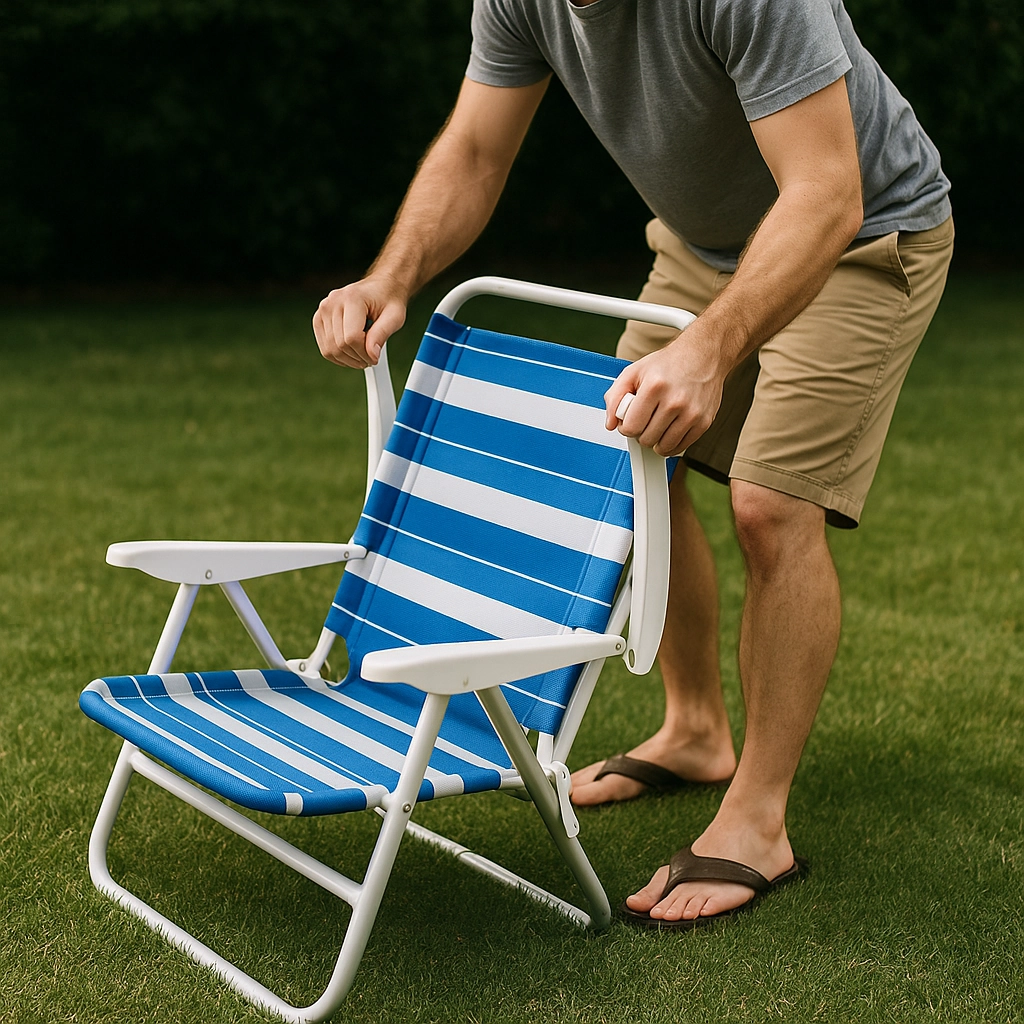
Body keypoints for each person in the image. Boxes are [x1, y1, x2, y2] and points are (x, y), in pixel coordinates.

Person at [313, 0, 953, 929]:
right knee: (639, 467)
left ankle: (759, 823)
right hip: (702, 247)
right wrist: (389, 276)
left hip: (861, 235)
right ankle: (696, 731)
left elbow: (826, 191)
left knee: (771, 507)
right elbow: (475, 152)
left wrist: (712, 350)